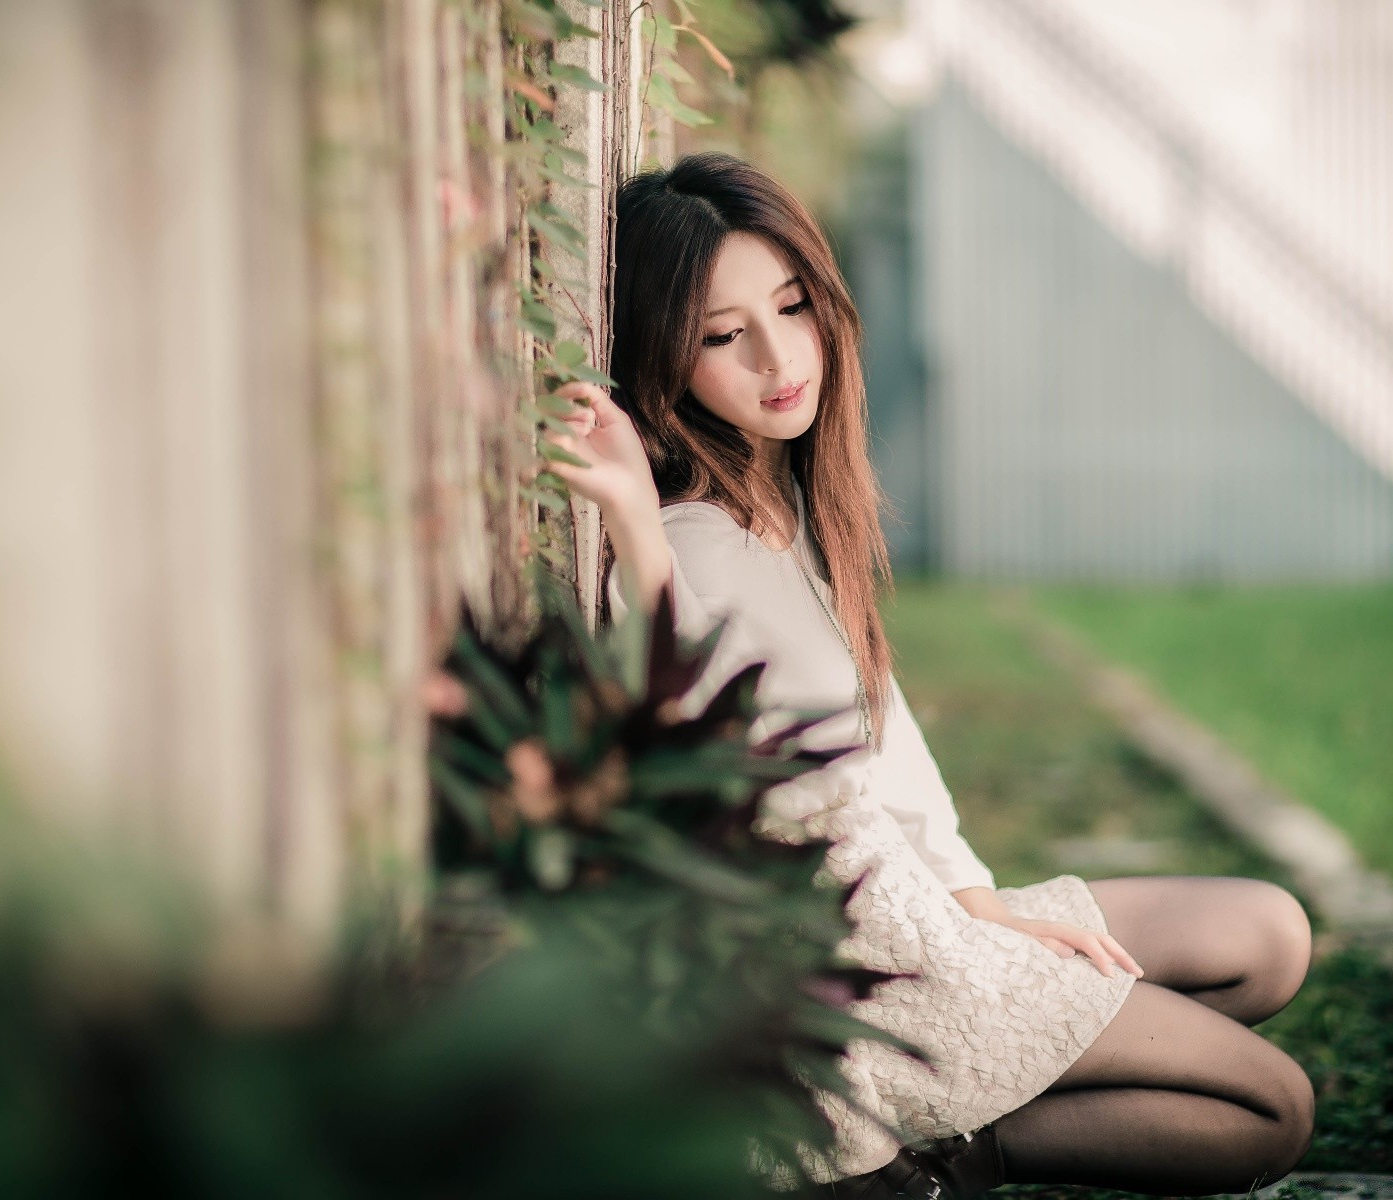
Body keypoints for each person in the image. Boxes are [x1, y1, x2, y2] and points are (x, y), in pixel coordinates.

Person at [545, 151, 1315, 1198]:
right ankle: (924, 1164)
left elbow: (884, 737)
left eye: (792, 305)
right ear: (667, 362)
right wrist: (636, 530)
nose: (780, 357)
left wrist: (976, 898)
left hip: (923, 912)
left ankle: (955, 1108)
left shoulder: (787, 503)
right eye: (725, 337)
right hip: (871, 967)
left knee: (1266, 935)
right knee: (1270, 1111)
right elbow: (692, 737)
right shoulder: (693, 540)